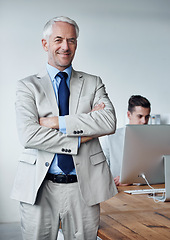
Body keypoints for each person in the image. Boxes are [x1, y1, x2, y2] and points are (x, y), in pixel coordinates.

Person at [11, 16, 118, 240]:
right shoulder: (27, 86)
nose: (65, 46)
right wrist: (82, 135)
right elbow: (29, 135)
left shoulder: (93, 82)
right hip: (39, 187)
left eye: (71, 40)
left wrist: (55, 122)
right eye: (58, 39)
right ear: (45, 44)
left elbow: (108, 122)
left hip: (84, 187)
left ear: (76, 44)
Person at [100, 95, 151, 186]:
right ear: (128, 115)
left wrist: (131, 180)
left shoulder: (153, 139)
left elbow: (158, 172)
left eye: (147, 117)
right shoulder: (110, 137)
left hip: (146, 190)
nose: (144, 121)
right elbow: (101, 172)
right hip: (118, 191)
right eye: (140, 116)